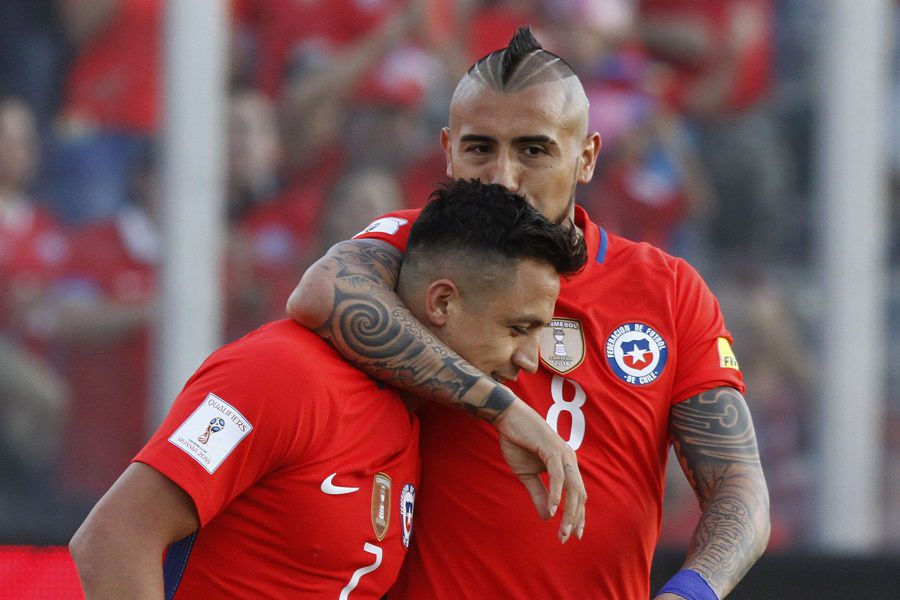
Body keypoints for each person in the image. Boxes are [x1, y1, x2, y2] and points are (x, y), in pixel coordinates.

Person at [287, 26, 770, 599]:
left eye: (533, 150)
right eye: (479, 148)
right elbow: (322, 295)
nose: (503, 177)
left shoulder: (667, 291)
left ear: (587, 157)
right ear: (447, 152)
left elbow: (739, 486)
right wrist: (499, 408)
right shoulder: (410, 251)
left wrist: (690, 592)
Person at [69, 179, 588, 598]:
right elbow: (113, 541)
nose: (529, 359)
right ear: (443, 303)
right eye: (518, 329)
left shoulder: (410, 421)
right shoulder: (279, 373)